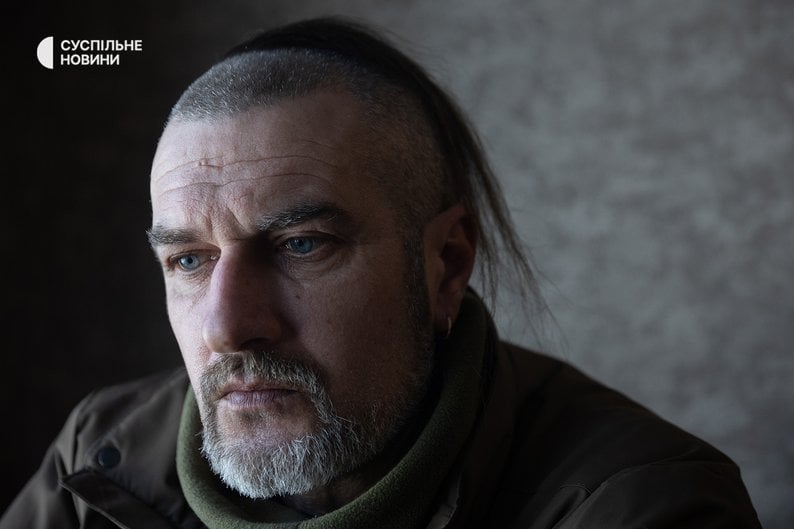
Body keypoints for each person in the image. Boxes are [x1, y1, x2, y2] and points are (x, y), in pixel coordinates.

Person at [2, 17, 761, 529]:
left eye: (301, 245)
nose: (227, 326)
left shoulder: (645, 502)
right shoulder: (98, 455)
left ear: (446, 263)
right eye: (189, 260)